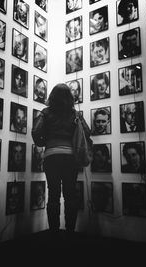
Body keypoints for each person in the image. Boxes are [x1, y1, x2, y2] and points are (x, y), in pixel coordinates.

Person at [32, 83, 91, 233]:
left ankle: (54, 232)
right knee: (70, 195)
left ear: (52, 96)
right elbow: (87, 132)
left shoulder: (46, 112)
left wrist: (45, 142)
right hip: (70, 157)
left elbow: (36, 132)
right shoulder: (75, 114)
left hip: (51, 156)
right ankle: (70, 231)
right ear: (69, 98)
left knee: (53, 195)